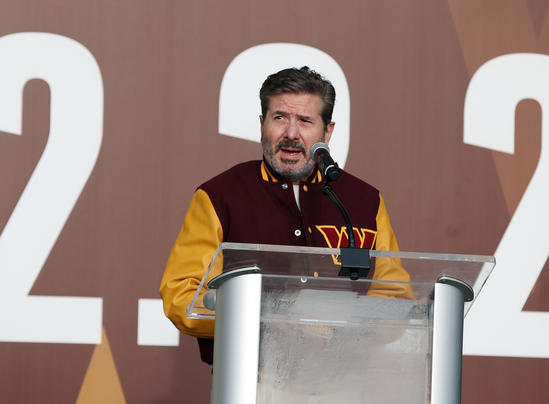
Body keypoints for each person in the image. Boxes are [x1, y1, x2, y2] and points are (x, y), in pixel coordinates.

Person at [160, 66, 409, 364]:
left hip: (346, 387)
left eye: (305, 121)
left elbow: (396, 297)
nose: (291, 134)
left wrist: (341, 330)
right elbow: (181, 295)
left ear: (327, 131)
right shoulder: (220, 196)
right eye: (280, 118)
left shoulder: (364, 201)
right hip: (250, 387)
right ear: (262, 123)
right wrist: (263, 319)